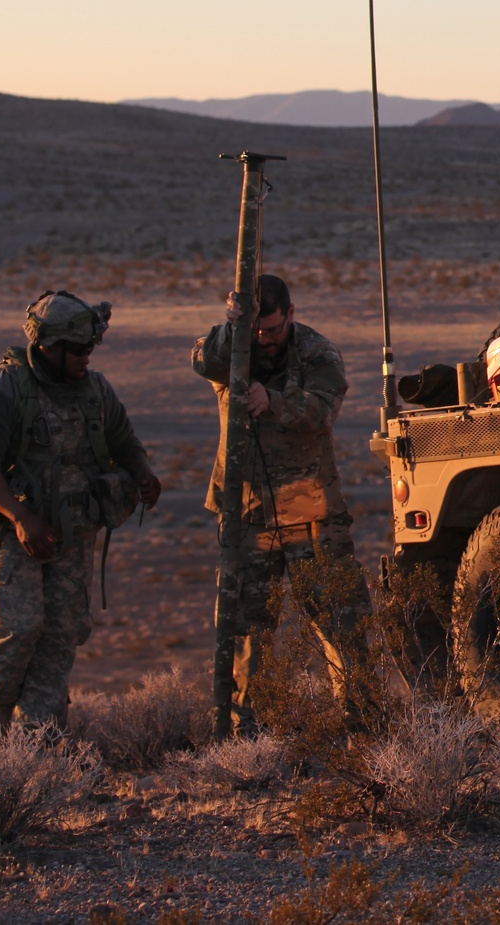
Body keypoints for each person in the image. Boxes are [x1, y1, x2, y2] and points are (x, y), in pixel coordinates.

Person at [0, 291, 163, 741]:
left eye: (90, 348)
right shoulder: (2, 393)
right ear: (47, 345)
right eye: (77, 350)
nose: (86, 357)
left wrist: (143, 474)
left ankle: (39, 750)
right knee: (17, 632)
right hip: (15, 539)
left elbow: (124, 439)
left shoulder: (95, 391)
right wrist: (20, 518)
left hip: (72, 538)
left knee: (59, 637)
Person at [191, 274, 371, 729]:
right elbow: (202, 360)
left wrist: (271, 401)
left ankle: (363, 729)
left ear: (290, 314)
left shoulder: (316, 352)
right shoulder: (233, 348)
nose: (264, 339)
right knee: (249, 633)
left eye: (272, 329)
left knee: (341, 623)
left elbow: (322, 412)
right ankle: (248, 737)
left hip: (312, 512)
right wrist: (232, 325)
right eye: (257, 330)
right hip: (250, 514)